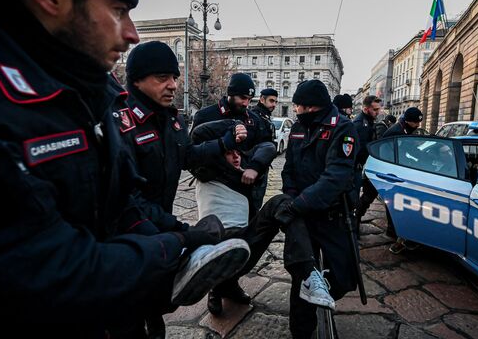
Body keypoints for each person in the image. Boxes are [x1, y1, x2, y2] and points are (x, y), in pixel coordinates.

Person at [0, 0, 250, 336]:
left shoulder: (87, 94)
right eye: (118, 11)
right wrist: (171, 249)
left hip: (117, 304)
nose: (132, 33)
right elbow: (50, 268)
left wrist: (179, 235)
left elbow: (121, 203)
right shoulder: (8, 103)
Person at [123, 41, 249, 338]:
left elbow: (188, 156)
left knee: (155, 309)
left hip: (159, 222)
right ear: (137, 79)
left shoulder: (173, 119)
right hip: (130, 231)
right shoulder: (122, 123)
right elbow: (128, 198)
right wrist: (181, 230)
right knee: (128, 314)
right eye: (162, 78)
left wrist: (224, 145)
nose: (172, 85)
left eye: (175, 77)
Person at [192, 120, 335, 318]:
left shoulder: (242, 167)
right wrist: (233, 126)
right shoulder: (205, 169)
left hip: (244, 243)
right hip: (217, 249)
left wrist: (255, 167)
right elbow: (199, 134)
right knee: (219, 255)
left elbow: (268, 146)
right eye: (229, 153)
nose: (236, 157)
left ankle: (307, 273)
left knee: (283, 202)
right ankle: (217, 289)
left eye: (238, 152)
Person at [282, 80, 359, 338]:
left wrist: (299, 204)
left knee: (343, 275)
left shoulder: (343, 129)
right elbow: (289, 169)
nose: (295, 110)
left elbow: (335, 177)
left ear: (309, 106)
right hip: (302, 216)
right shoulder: (297, 128)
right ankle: (301, 331)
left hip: (331, 215)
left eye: (298, 106)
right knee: (301, 279)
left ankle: (324, 292)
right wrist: (292, 198)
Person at [192, 73, 273, 217]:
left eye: (249, 99)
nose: (246, 103)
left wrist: (255, 168)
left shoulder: (254, 120)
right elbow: (192, 153)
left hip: (245, 185)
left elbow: (264, 146)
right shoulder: (205, 116)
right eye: (242, 98)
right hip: (214, 185)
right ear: (230, 93)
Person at [382, 107, 424, 253]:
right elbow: (392, 152)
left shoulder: (403, 129)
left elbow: (407, 150)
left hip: (396, 172)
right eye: (416, 123)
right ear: (408, 121)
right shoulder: (396, 132)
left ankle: (395, 233)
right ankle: (399, 236)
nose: (418, 125)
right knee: (395, 204)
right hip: (392, 174)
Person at [352, 96, 385, 235]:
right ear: (366, 109)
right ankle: (353, 225)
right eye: (375, 109)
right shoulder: (360, 124)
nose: (378, 112)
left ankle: (355, 223)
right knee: (355, 197)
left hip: (365, 166)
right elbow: (360, 149)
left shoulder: (370, 122)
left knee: (366, 195)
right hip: (358, 167)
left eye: (379, 109)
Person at [250, 88, 278, 212]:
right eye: (271, 101)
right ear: (262, 99)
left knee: (257, 200)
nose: (274, 105)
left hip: (261, 166)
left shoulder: (265, 116)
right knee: (253, 202)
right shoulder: (254, 116)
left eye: (276, 102)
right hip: (253, 166)